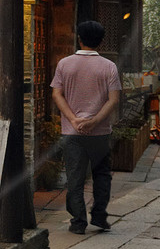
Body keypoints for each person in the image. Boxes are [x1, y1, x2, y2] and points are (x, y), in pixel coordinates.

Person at [50, 19, 121, 235]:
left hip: (72, 132)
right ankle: (99, 216)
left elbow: (57, 94)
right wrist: (94, 121)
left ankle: (78, 221)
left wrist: (73, 119)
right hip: (99, 133)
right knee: (102, 175)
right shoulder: (109, 67)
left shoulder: (64, 64)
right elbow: (114, 99)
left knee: (75, 177)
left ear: (79, 38)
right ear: (101, 41)